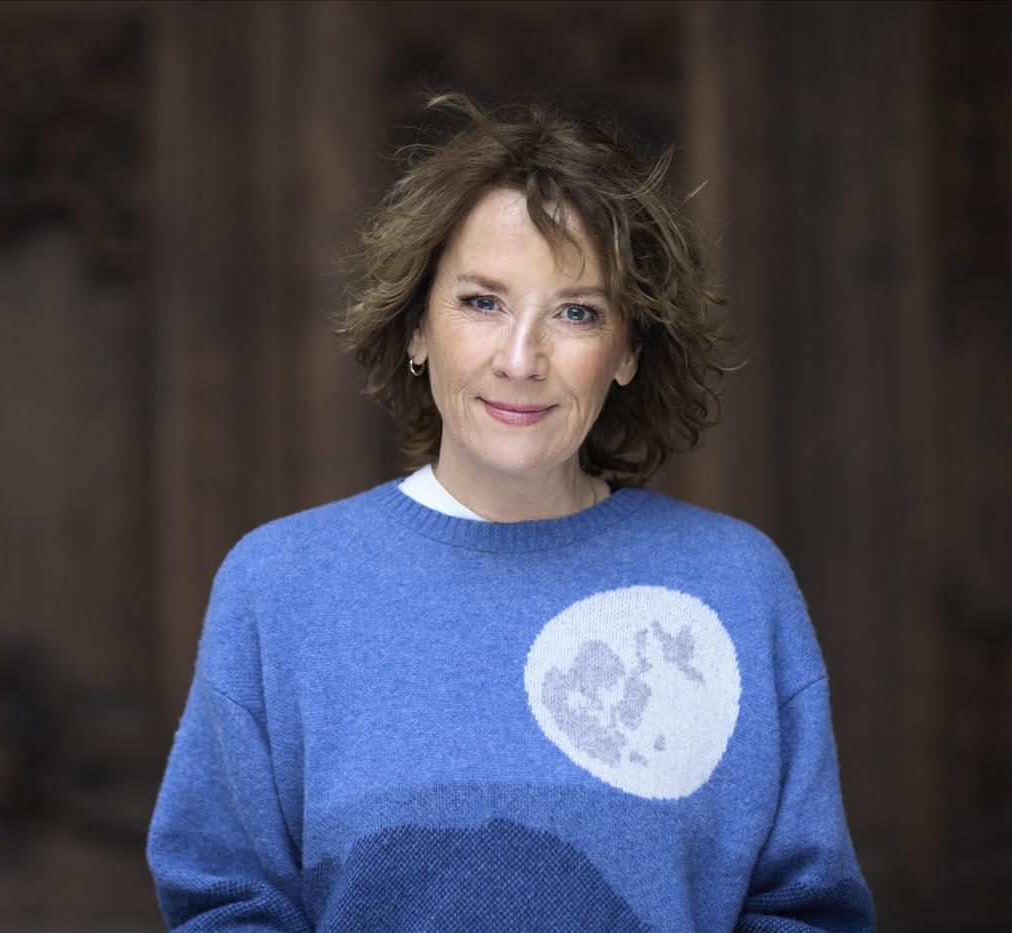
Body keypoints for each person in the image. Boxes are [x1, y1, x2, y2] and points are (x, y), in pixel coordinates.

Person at [146, 93, 875, 932]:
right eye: (482, 302)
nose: (522, 359)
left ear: (629, 350)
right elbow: (226, 903)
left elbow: (804, 909)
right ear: (416, 328)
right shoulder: (280, 586)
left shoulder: (736, 585)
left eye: (577, 312)